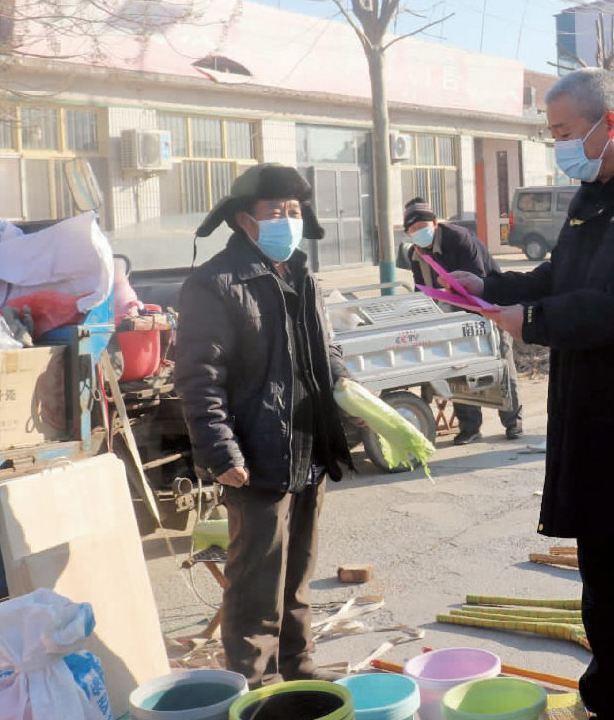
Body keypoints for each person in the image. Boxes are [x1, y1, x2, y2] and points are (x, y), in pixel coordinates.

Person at [449, 67, 614, 720]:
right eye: (551, 134)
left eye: (565, 132)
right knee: (603, 591)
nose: (559, 147)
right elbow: (561, 276)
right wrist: (492, 287)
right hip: (593, 427)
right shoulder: (591, 195)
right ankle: (612, 705)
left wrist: (536, 322)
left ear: (610, 124)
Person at [174, 163, 354, 688]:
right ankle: (256, 689)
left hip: (309, 450)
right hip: (256, 456)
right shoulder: (214, 284)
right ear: (244, 219)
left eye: (294, 211)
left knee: (297, 578)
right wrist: (220, 451)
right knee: (256, 586)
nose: (287, 220)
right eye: (276, 211)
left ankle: (298, 674)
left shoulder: (302, 275)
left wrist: (345, 384)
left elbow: (324, 349)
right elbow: (199, 377)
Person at [403, 197, 524, 444]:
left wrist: (449, 291)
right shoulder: (415, 254)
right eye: (412, 229)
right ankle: (470, 428)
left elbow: (478, 280)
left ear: (435, 223)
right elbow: (421, 290)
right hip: (453, 316)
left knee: (501, 363)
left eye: (422, 226)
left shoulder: (458, 239)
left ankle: (513, 422)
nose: (418, 232)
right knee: (458, 369)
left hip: (491, 306)